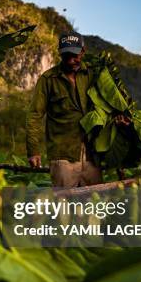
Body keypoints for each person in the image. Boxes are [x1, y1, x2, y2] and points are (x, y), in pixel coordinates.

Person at [25, 32, 129, 188]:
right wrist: (33, 150)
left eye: (75, 55)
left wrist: (119, 118)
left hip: (92, 155)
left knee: (94, 204)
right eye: (66, 55)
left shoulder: (94, 74)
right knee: (65, 208)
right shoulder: (48, 79)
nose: (71, 60)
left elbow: (108, 105)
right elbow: (34, 115)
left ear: (83, 51)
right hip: (63, 156)